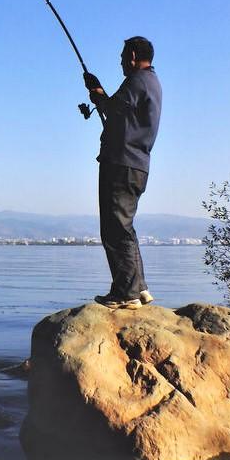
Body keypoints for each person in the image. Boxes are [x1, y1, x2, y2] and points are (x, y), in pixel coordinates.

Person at [83, 36, 162, 310]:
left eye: (121, 57)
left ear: (131, 56)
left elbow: (115, 111)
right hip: (137, 164)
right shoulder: (151, 83)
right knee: (125, 228)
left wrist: (99, 94)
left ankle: (125, 293)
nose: (120, 63)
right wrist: (100, 95)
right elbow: (121, 113)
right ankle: (139, 289)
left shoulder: (137, 81)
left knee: (114, 228)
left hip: (122, 163)